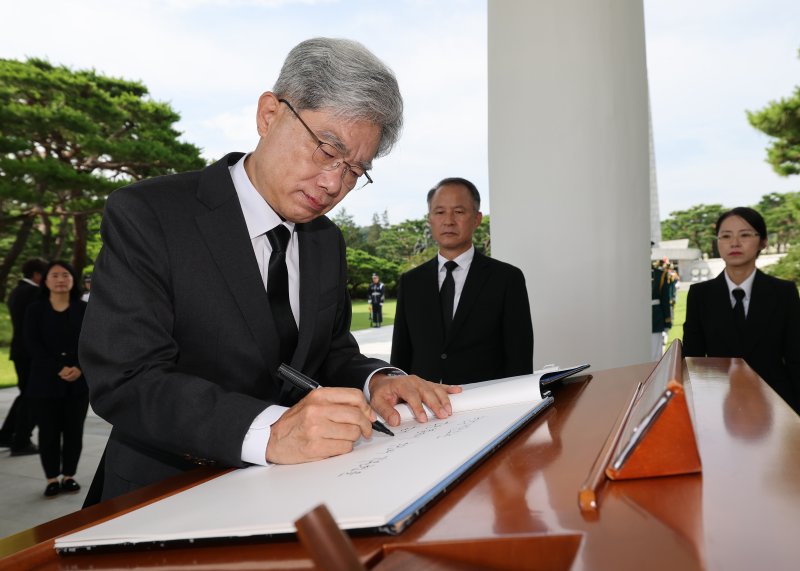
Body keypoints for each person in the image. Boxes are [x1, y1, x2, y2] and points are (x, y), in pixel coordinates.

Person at [78, 37, 460, 503]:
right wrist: (273, 431)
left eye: (355, 171)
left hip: (291, 495)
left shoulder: (325, 240)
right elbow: (127, 379)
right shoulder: (150, 215)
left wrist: (377, 381)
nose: (333, 183)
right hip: (164, 492)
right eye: (325, 149)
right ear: (269, 114)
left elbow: (328, 353)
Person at [390, 177, 534, 384]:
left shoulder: (507, 279)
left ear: (477, 219)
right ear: (430, 219)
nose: (448, 220)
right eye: (439, 212)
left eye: (458, 212)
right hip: (424, 407)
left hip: (486, 405)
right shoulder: (410, 282)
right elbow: (400, 357)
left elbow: (518, 358)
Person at [683, 207, 800, 414]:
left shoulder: (784, 292)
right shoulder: (700, 295)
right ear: (717, 242)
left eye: (745, 235)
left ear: (763, 241)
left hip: (777, 404)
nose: (734, 243)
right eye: (726, 236)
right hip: (719, 406)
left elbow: (795, 357)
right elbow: (693, 361)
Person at [24, 261, 89, 497]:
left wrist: (80, 367)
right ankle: (52, 478)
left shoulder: (84, 309)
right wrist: (59, 367)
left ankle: (69, 475)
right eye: (55, 275)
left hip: (78, 383)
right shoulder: (35, 309)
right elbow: (32, 343)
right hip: (44, 382)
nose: (61, 279)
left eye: (66, 275)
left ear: (73, 280)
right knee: (48, 432)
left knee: (74, 432)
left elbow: (92, 343)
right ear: (46, 280)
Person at [0, 258, 48, 456]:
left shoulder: (17, 291)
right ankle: (21, 441)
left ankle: (6, 435)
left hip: (20, 351)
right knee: (33, 397)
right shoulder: (33, 293)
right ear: (37, 274)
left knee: (25, 395)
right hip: (30, 353)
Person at [651, 259, 672, 361]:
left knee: (655, 353)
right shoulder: (660, 274)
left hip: (655, 317)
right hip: (654, 315)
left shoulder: (660, 274)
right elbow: (665, 300)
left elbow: (664, 299)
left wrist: (667, 320)